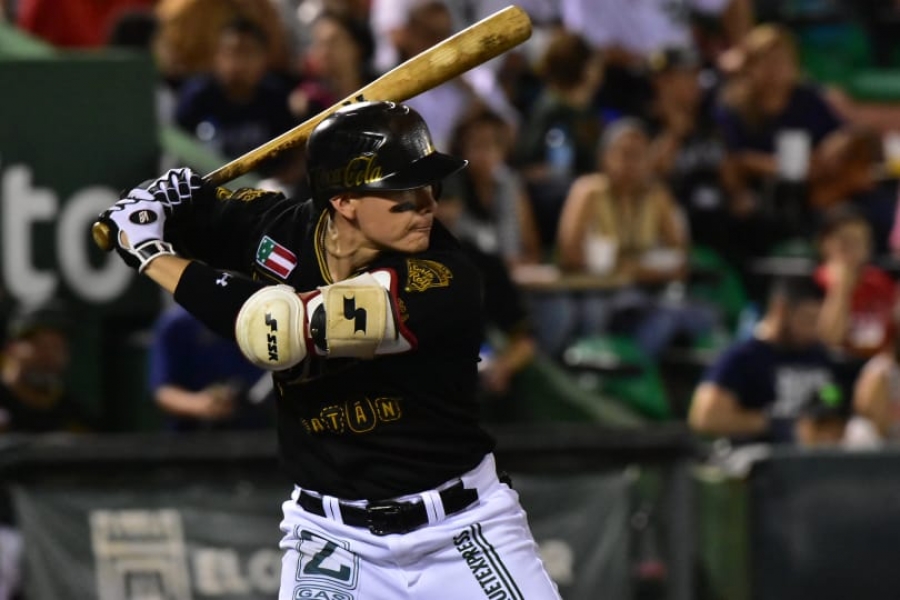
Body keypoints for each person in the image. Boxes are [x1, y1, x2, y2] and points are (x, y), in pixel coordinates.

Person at [96, 101, 560, 599]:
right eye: (402, 191)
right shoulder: (280, 230)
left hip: (461, 527)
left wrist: (149, 253)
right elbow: (192, 212)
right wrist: (161, 199)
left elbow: (275, 329)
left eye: (429, 186)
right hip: (332, 538)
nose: (427, 204)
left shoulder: (444, 277)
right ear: (344, 201)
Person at [689, 276, 846, 444]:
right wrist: (776, 424)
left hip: (815, 452)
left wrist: (827, 416)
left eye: (817, 321)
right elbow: (704, 418)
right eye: (807, 319)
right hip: (762, 452)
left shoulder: (818, 356)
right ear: (781, 310)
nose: (812, 330)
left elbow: (831, 394)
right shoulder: (744, 358)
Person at [174, 17, 295, 159]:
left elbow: (292, 154)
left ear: (264, 58)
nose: (238, 63)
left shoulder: (275, 98)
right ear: (216, 57)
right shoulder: (198, 97)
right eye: (230, 52)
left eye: (247, 53)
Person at [148, 303, 273, 432]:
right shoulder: (175, 323)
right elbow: (163, 390)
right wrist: (201, 404)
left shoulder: (253, 320)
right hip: (189, 434)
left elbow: (266, 381)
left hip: (250, 430)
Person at [814, 206, 896, 361]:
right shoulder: (814, 283)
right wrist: (841, 289)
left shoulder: (880, 282)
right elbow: (829, 340)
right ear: (825, 242)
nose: (853, 249)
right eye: (845, 241)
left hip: (877, 365)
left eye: (859, 241)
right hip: (835, 366)